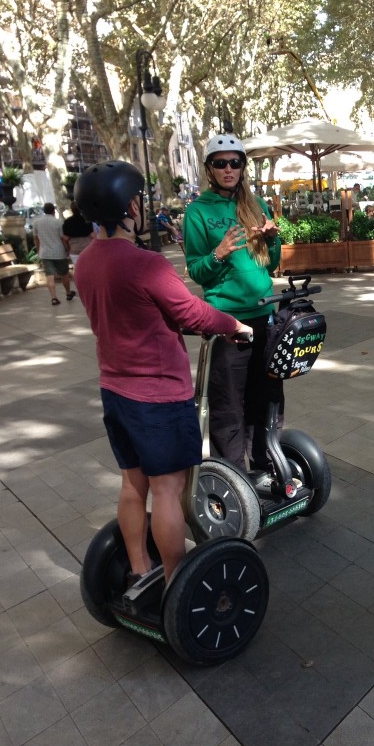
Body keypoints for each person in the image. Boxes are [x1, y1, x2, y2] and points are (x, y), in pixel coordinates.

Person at [72, 160, 252, 583]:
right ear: (128, 208)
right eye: (136, 199)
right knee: (169, 491)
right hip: (158, 397)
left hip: (115, 391)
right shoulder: (145, 264)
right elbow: (190, 312)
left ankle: (139, 567)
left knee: (134, 486)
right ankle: (176, 581)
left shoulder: (84, 263)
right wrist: (235, 326)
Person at [183, 134, 282, 476]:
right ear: (210, 169)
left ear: (243, 167)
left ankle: (265, 464)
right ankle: (235, 475)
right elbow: (197, 271)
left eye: (235, 162)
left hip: (266, 315)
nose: (229, 169)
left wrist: (273, 240)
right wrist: (217, 254)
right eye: (220, 163)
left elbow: (269, 266)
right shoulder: (197, 211)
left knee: (265, 397)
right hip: (228, 324)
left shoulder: (258, 206)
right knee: (228, 405)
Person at [32, 202, 73, 305]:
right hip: (59, 252)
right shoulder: (58, 222)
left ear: (44, 211)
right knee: (64, 274)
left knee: (49, 275)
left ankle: (54, 297)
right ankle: (68, 293)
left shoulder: (37, 223)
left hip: (45, 253)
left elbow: (36, 238)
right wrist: (67, 248)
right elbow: (63, 238)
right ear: (53, 211)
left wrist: (38, 249)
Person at [62, 201, 93, 266]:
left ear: (71, 209)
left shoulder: (67, 222)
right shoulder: (87, 220)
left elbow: (66, 238)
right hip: (87, 249)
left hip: (74, 250)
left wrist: (68, 249)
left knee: (78, 269)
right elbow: (93, 235)